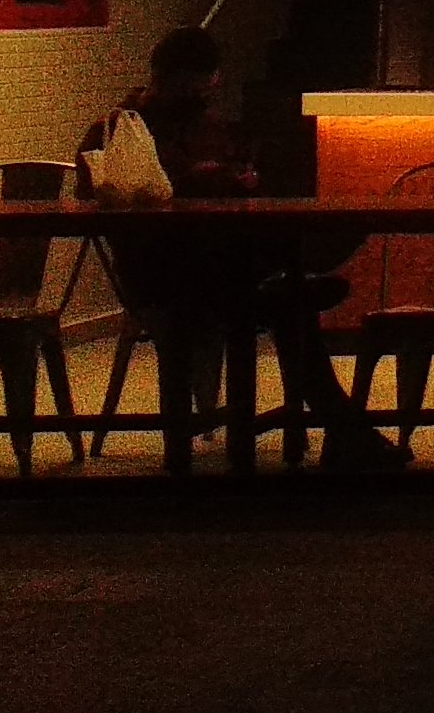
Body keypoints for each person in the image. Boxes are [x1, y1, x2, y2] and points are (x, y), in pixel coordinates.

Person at [83, 27, 400, 473]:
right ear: (175, 78)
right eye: (200, 83)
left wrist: (238, 175)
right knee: (289, 302)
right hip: (165, 274)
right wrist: (197, 179)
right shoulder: (120, 131)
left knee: (288, 301)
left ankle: (341, 426)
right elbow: (102, 194)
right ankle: (342, 427)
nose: (207, 92)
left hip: (214, 263)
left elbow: (232, 169)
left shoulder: (202, 124)